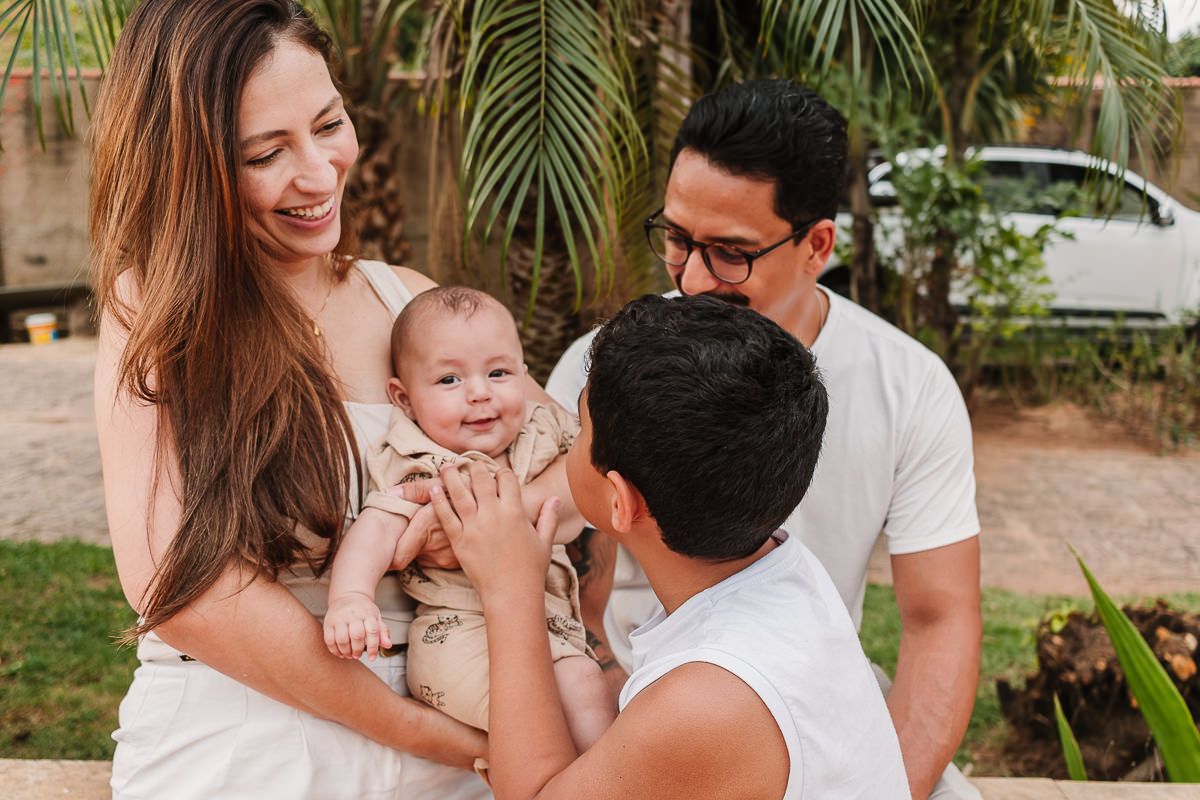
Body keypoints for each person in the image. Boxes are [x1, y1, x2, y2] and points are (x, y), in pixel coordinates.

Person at [91, 1, 566, 796]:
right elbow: (184, 592)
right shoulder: (157, 314)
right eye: (265, 153)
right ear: (188, 166)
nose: (318, 174)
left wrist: (491, 524)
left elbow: (579, 458)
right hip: (255, 744)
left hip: (460, 716)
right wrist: (424, 732)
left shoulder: (408, 303)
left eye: (329, 123)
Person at [546, 79, 982, 800]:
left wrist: (886, 786)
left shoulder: (911, 387)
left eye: (730, 252)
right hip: (640, 715)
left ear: (816, 245)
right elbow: (559, 574)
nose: (689, 278)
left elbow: (940, 621)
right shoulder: (607, 368)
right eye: (678, 239)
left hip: (811, 704)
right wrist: (614, 692)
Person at [428, 294, 910, 799]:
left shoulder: (708, 699)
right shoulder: (787, 569)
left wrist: (510, 590)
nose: (567, 439)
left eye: (579, 429)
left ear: (620, 501)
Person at [322, 286, 614, 751]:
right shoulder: (422, 462)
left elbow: (599, 464)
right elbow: (377, 527)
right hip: (459, 638)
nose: (480, 393)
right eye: (449, 381)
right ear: (403, 398)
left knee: (590, 700)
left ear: (524, 374)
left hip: (549, 631)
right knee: (576, 697)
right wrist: (351, 598)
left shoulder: (541, 434)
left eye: (498, 373)